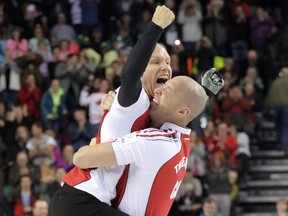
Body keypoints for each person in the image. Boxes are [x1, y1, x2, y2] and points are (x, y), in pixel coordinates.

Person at [52, 5, 176, 216]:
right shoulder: (136, 98)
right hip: (82, 199)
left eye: (168, 62)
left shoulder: (147, 105)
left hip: (86, 200)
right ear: (142, 67)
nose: (165, 66)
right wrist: (156, 26)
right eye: (155, 61)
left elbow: (184, 106)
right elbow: (130, 75)